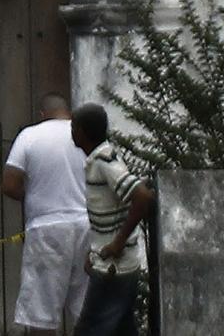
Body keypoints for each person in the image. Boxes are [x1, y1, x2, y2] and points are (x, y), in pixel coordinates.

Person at [2, 92, 89, 335]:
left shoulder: (30, 136)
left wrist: (33, 195)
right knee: (87, 309)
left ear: (42, 114)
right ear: (69, 113)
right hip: (87, 227)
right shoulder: (87, 136)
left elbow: (9, 184)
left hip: (46, 229)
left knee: (41, 314)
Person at [72, 103, 154, 336]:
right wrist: (95, 252)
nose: (71, 132)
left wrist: (117, 243)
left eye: (73, 127)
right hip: (112, 263)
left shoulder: (104, 162)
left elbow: (142, 196)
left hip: (113, 268)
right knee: (121, 329)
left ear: (83, 132)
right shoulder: (100, 159)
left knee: (89, 329)